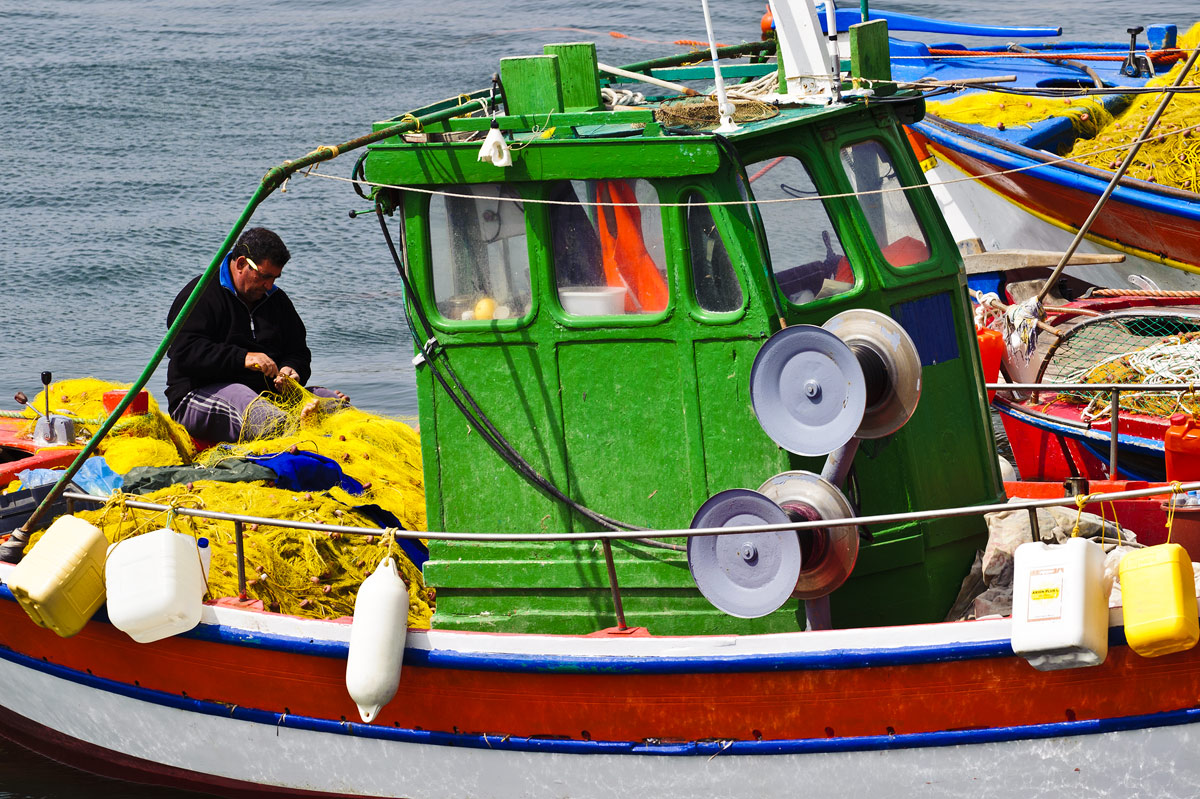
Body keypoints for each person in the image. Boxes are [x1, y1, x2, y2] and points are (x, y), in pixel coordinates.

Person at [165, 227, 346, 443]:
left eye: (275, 278)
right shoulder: (201, 293)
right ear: (241, 263)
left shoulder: (277, 300)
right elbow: (184, 352)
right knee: (267, 419)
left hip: (265, 398)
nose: (269, 285)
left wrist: (292, 370)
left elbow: (298, 351)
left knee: (335, 406)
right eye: (264, 276)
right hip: (196, 396)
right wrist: (244, 358)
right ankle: (302, 438)